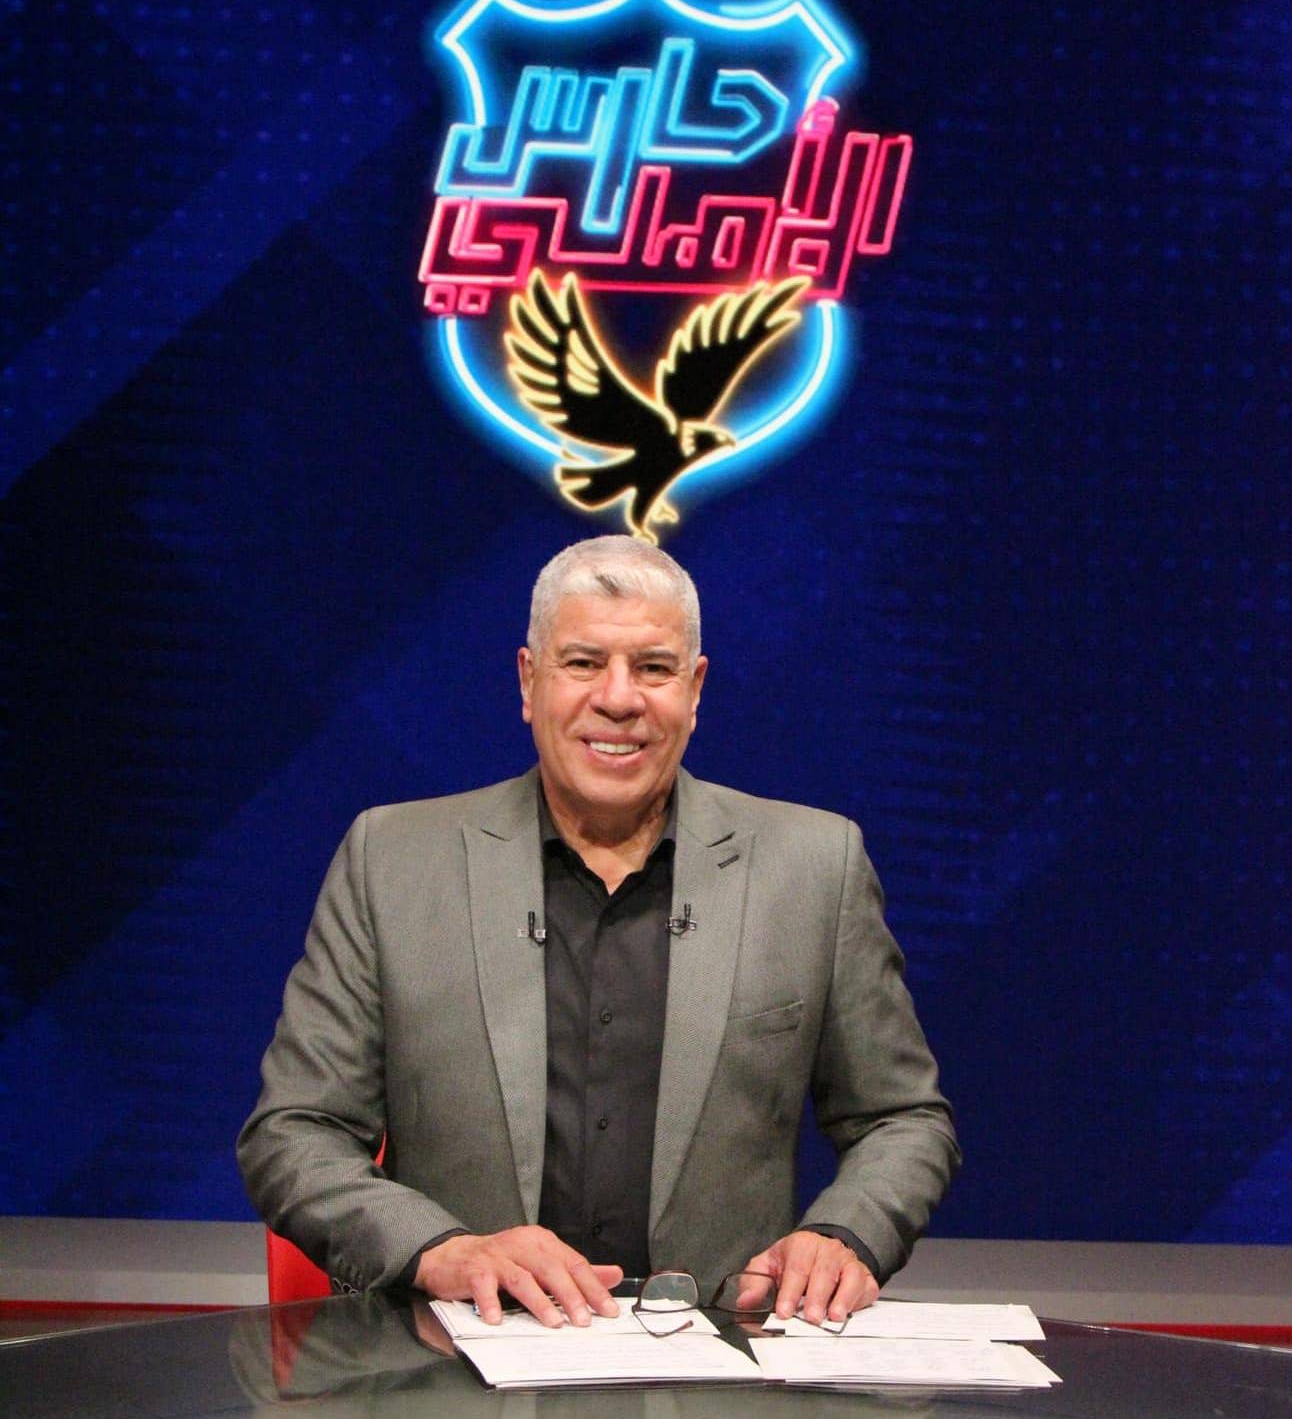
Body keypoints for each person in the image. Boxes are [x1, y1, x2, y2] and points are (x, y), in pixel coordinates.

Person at [238, 536, 958, 1330]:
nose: (619, 698)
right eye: (583, 663)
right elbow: (294, 1133)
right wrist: (443, 1250)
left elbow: (902, 1119)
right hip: (458, 1360)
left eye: (653, 668)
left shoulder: (815, 867)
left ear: (695, 690)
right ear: (528, 680)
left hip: (722, 1364)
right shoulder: (393, 861)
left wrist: (844, 1233)